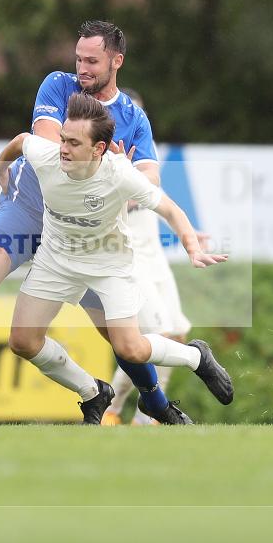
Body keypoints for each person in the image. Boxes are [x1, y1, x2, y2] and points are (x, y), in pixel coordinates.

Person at [0, 20, 184, 423]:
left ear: (117, 61)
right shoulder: (58, 86)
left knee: (118, 337)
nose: (83, 68)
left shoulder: (134, 118)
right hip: (28, 207)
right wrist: (107, 165)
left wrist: (124, 176)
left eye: (93, 61)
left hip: (80, 233)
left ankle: (153, 401)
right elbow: (45, 144)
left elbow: (150, 180)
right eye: (78, 58)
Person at [0, 93, 234, 421]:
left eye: (73, 143)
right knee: (22, 341)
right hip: (56, 260)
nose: (63, 148)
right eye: (63, 138)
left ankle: (197, 357)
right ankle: (92, 391)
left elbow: (169, 208)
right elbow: (23, 141)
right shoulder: (47, 155)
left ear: (98, 149)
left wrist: (192, 247)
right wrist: (1, 168)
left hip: (108, 266)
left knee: (130, 349)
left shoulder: (119, 174)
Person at [101, 88, 195, 426]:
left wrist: (190, 235)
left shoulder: (144, 162)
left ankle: (145, 418)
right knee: (158, 335)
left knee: (178, 334)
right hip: (130, 262)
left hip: (156, 260)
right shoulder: (103, 160)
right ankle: (112, 410)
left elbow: (162, 202)